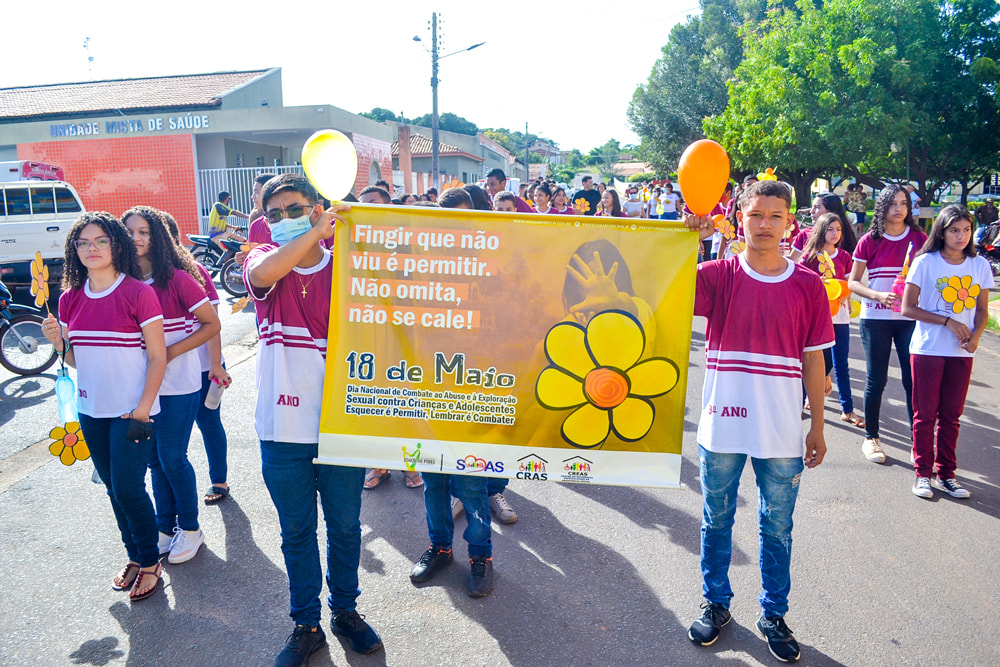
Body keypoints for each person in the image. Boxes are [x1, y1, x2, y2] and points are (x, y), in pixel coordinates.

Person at [684, 180, 833, 664]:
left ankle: (773, 613)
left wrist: (818, 426)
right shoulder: (717, 274)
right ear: (739, 219)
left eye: (775, 215)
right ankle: (717, 603)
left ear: (792, 222)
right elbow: (666, 284)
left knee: (777, 526)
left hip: (782, 430)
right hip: (721, 427)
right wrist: (690, 239)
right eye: (755, 215)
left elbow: (815, 361)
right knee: (716, 520)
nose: (764, 225)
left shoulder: (809, 285)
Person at [245, 173, 383, 665]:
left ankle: (345, 610)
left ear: (317, 206)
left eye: (296, 208)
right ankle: (306, 624)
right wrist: (315, 231)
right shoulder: (260, 261)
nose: (284, 219)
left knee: (346, 528)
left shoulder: (351, 264)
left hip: (343, 426)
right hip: (282, 432)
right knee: (296, 532)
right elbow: (263, 277)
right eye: (275, 214)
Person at [42, 211, 167, 601]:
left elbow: (158, 357)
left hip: (132, 411)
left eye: (100, 241)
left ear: (115, 245)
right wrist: (56, 341)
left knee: (130, 488)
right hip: (90, 410)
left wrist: (144, 408)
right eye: (83, 243)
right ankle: (134, 556)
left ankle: (150, 562)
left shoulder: (138, 293)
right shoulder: (69, 298)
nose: (91, 249)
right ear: (74, 250)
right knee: (114, 489)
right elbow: (76, 359)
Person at [409, 186, 496, 596]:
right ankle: (440, 548)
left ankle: (481, 556)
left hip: (476, 388)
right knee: (434, 481)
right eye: (450, 222)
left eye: (466, 219)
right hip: (428, 387)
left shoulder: (495, 267)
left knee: (472, 482)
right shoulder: (424, 266)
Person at [122, 206, 221, 564]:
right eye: (129, 232)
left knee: (172, 457)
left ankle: (192, 528)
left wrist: (166, 354)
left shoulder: (178, 277)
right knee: (152, 461)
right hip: (142, 388)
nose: (136, 238)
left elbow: (211, 324)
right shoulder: (124, 282)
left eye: (144, 232)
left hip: (179, 385)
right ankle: (166, 528)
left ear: (158, 237)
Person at [902, 205, 993, 499]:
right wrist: (947, 321)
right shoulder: (925, 262)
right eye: (954, 230)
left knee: (952, 416)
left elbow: (981, 310)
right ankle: (922, 474)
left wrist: (976, 336)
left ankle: (947, 474)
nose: (961, 236)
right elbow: (908, 308)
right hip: (928, 349)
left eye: (966, 230)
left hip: (961, 353)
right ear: (941, 231)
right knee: (925, 415)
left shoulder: (979, 266)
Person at [848, 184, 927, 464]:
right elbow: (853, 281)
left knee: (912, 381)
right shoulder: (870, 239)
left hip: (910, 320)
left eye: (904, 203)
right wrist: (878, 295)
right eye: (893, 203)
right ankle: (871, 438)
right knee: (876, 380)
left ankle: (916, 441)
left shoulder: (920, 238)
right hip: (875, 319)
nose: (899, 209)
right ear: (883, 206)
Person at [160, 211, 233, 504]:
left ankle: (219, 480)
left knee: (209, 422)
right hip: (168, 371)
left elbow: (212, 321)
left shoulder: (193, 271)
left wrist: (215, 364)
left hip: (205, 365)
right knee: (174, 437)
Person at [799, 212, 864, 427]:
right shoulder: (809, 256)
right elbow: (800, 283)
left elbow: (849, 284)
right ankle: (799, 403)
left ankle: (848, 410)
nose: (835, 233)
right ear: (821, 230)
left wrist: (843, 295)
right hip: (814, 319)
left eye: (838, 229)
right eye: (830, 229)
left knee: (841, 364)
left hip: (840, 318)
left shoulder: (845, 256)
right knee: (812, 362)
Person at [790, 193, 858, 261]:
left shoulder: (839, 236)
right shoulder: (804, 234)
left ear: (831, 211)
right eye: (812, 207)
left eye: (817, 207)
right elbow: (792, 261)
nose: (811, 211)